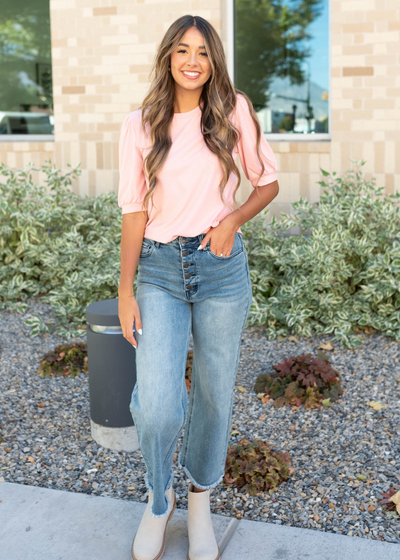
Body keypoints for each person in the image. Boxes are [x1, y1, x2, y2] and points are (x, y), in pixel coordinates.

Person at [117, 14, 279, 560]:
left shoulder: (234, 110)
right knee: (159, 404)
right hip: (160, 270)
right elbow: (134, 210)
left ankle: (201, 500)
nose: (192, 61)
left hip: (220, 270)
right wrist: (125, 289)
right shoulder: (140, 123)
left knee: (212, 393)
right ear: (168, 56)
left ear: (215, 61)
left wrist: (233, 220)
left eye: (203, 52)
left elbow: (268, 181)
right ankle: (159, 497)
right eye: (183, 50)